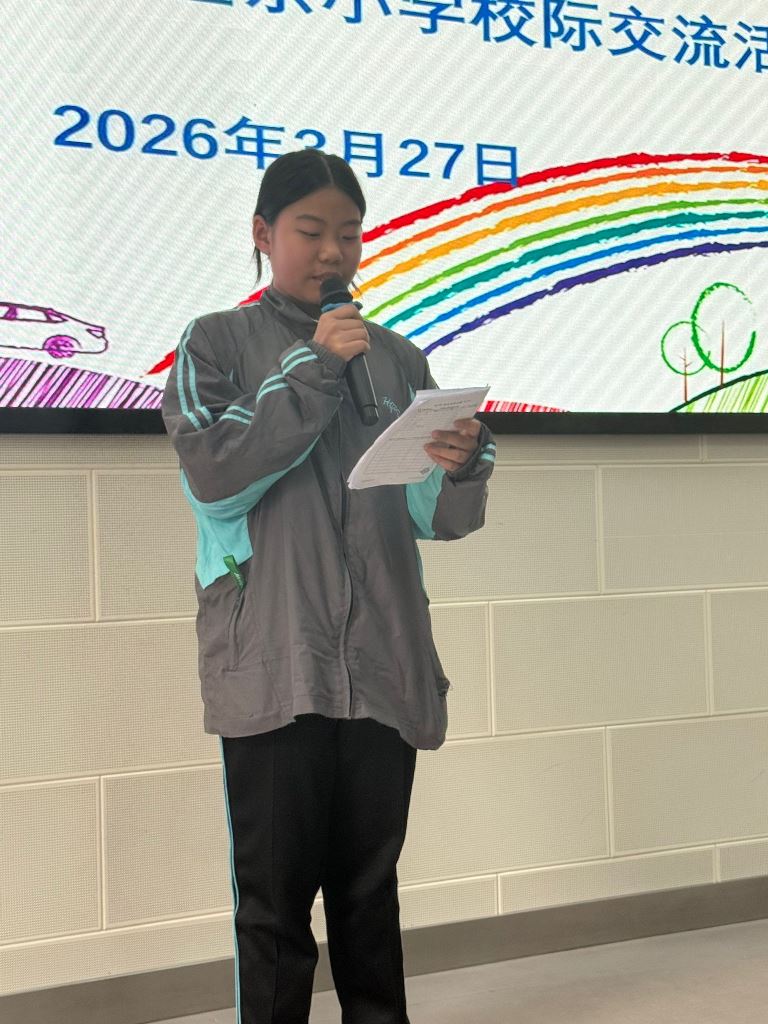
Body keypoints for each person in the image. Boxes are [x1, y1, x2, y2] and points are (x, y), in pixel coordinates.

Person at [162, 149, 496, 1024]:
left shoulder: (398, 358)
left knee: (369, 897)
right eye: (310, 231)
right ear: (263, 234)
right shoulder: (214, 344)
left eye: (348, 234)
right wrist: (311, 368)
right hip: (278, 662)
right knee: (274, 911)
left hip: (382, 659)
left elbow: (437, 519)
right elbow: (216, 474)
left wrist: (462, 463)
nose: (331, 252)